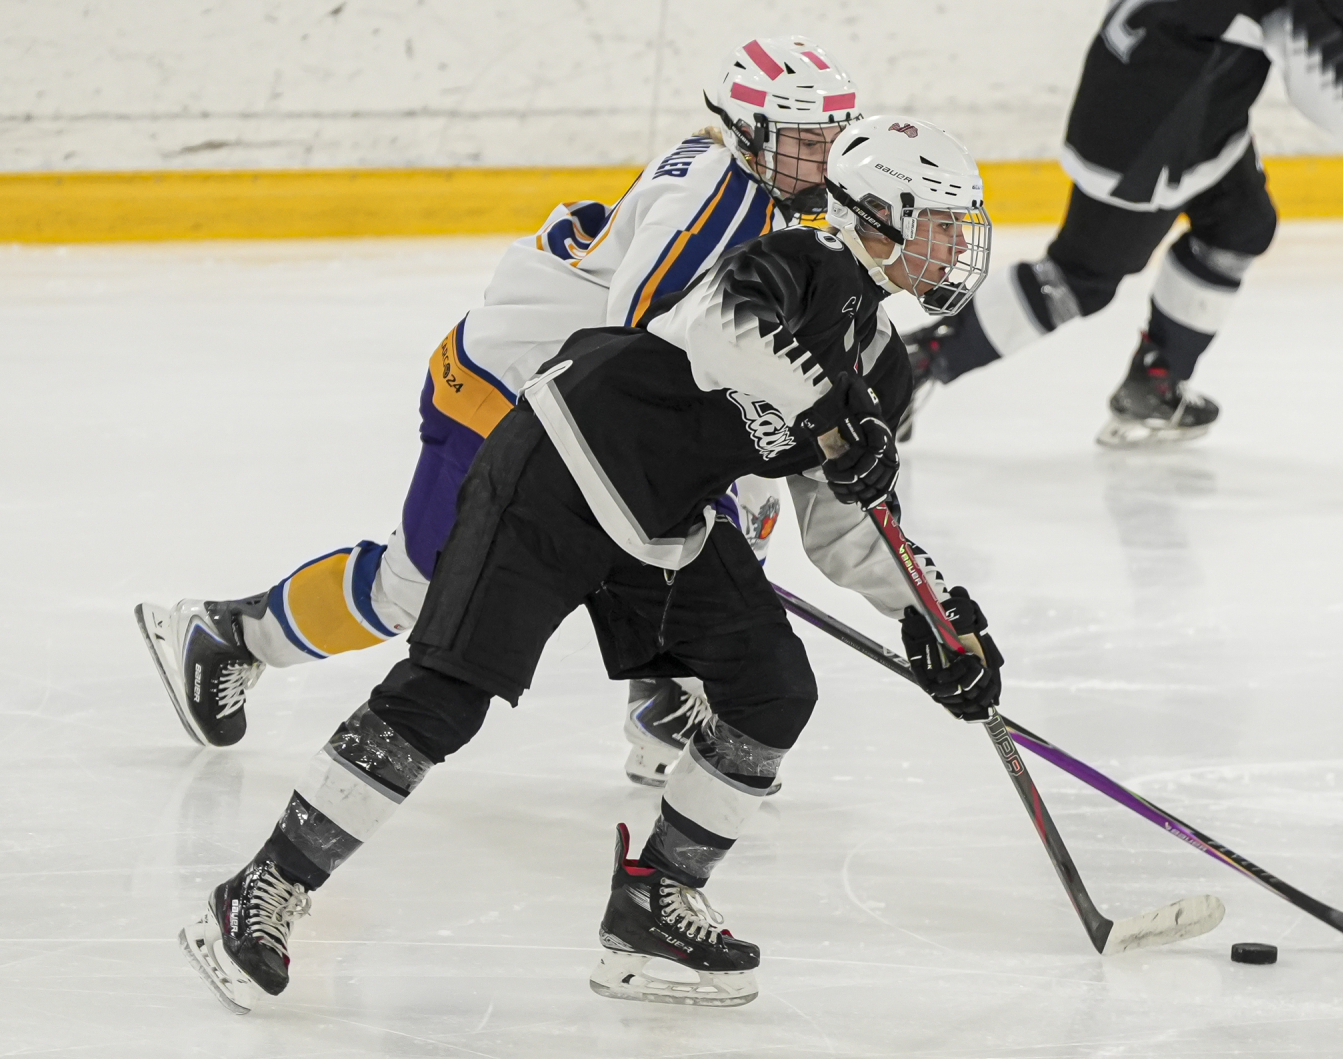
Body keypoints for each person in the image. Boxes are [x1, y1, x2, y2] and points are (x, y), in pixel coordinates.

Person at [177, 113, 1002, 1014]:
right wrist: (831, 417)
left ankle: (655, 903)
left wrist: (935, 614)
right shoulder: (792, 257)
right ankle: (262, 887)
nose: (956, 247)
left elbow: (844, 525)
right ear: (877, 215)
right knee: (446, 694)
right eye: (941, 224)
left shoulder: (881, 366)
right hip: (559, 466)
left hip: (662, 526)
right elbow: (720, 330)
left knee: (773, 687)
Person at [133, 37, 860, 789]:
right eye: (806, 142)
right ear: (750, 132)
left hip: (575, 394)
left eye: (834, 137)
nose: (826, 158)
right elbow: (641, 341)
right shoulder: (718, 205)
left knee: (736, 503)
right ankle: (230, 634)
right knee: (419, 589)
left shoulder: (764, 187)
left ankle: (667, 698)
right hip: (505, 389)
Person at [901, 0, 1343, 447]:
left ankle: (1156, 382)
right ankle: (911, 368)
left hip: (1184, 89)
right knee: (1081, 279)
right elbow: (1318, 70)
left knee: (1240, 224)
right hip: (1154, 118)